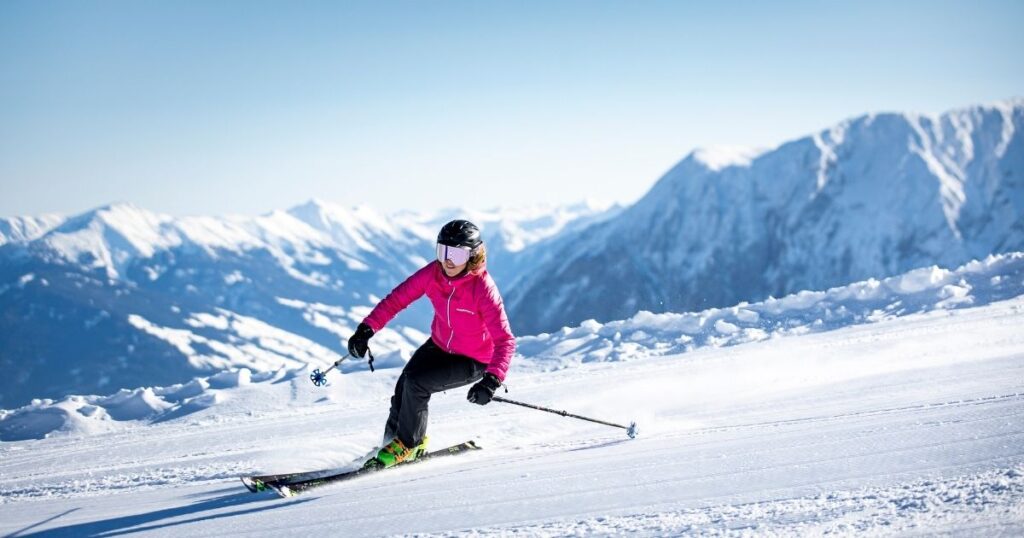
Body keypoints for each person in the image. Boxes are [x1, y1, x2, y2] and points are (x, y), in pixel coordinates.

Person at [347, 219, 516, 468]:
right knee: (405, 385)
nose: (448, 260)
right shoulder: (433, 273)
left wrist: (491, 381)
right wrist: (366, 329)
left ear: (472, 255)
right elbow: (397, 299)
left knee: (417, 384)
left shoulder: (483, 289)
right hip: (439, 345)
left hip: (474, 359)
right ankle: (391, 443)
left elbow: (505, 340)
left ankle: (409, 445)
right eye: (442, 251)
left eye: (456, 253)